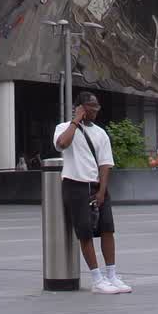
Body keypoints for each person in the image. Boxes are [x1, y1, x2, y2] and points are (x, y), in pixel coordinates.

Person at [54, 93, 129, 293]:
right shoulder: (63, 128)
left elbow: (105, 164)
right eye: (91, 106)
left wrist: (102, 190)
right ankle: (97, 279)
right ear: (80, 107)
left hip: (96, 186)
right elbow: (62, 144)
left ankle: (111, 274)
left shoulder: (100, 133)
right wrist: (75, 121)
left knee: (107, 228)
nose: (96, 110)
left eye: (97, 106)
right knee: (84, 231)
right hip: (75, 184)